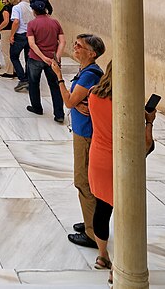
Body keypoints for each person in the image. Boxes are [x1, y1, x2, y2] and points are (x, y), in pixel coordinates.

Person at [87, 62, 157, 272]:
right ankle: (121, 266)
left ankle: (102, 255)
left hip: (98, 157)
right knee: (126, 212)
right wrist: (149, 121)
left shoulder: (92, 95)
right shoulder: (129, 102)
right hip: (121, 160)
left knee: (102, 208)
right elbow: (146, 144)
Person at [59, 33, 106, 249]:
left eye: (79, 46)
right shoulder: (86, 72)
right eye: (75, 44)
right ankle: (91, 222)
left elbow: (69, 100)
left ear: (92, 53)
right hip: (82, 131)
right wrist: (76, 103)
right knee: (84, 182)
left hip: (86, 135)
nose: (75, 48)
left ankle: (92, 233)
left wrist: (58, 76)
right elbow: (76, 101)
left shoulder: (89, 74)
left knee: (83, 182)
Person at [25, 0, 66, 121]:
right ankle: (59, 114)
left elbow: (32, 44)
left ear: (34, 11)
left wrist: (43, 57)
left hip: (35, 58)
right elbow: (62, 41)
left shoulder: (32, 24)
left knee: (33, 83)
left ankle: (37, 107)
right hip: (52, 59)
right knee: (55, 85)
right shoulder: (55, 22)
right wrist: (56, 57)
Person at [9, 0, 33, 90]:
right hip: (30, 36)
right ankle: (28, 79)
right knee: (28, 59)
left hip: (20, 35)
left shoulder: (17, 7)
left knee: (14, 57)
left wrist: (11, 35)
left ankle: (23, 79)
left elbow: (16, 21)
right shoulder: (32, 8)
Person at [0, 0, 18, 79]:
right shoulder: (16, 7)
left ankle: (9, 71)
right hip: (15, 30)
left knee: (6, 51)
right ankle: (14, 69)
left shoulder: (6, 8)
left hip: (6, 31)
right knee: (13, 52)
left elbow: (6, 21)